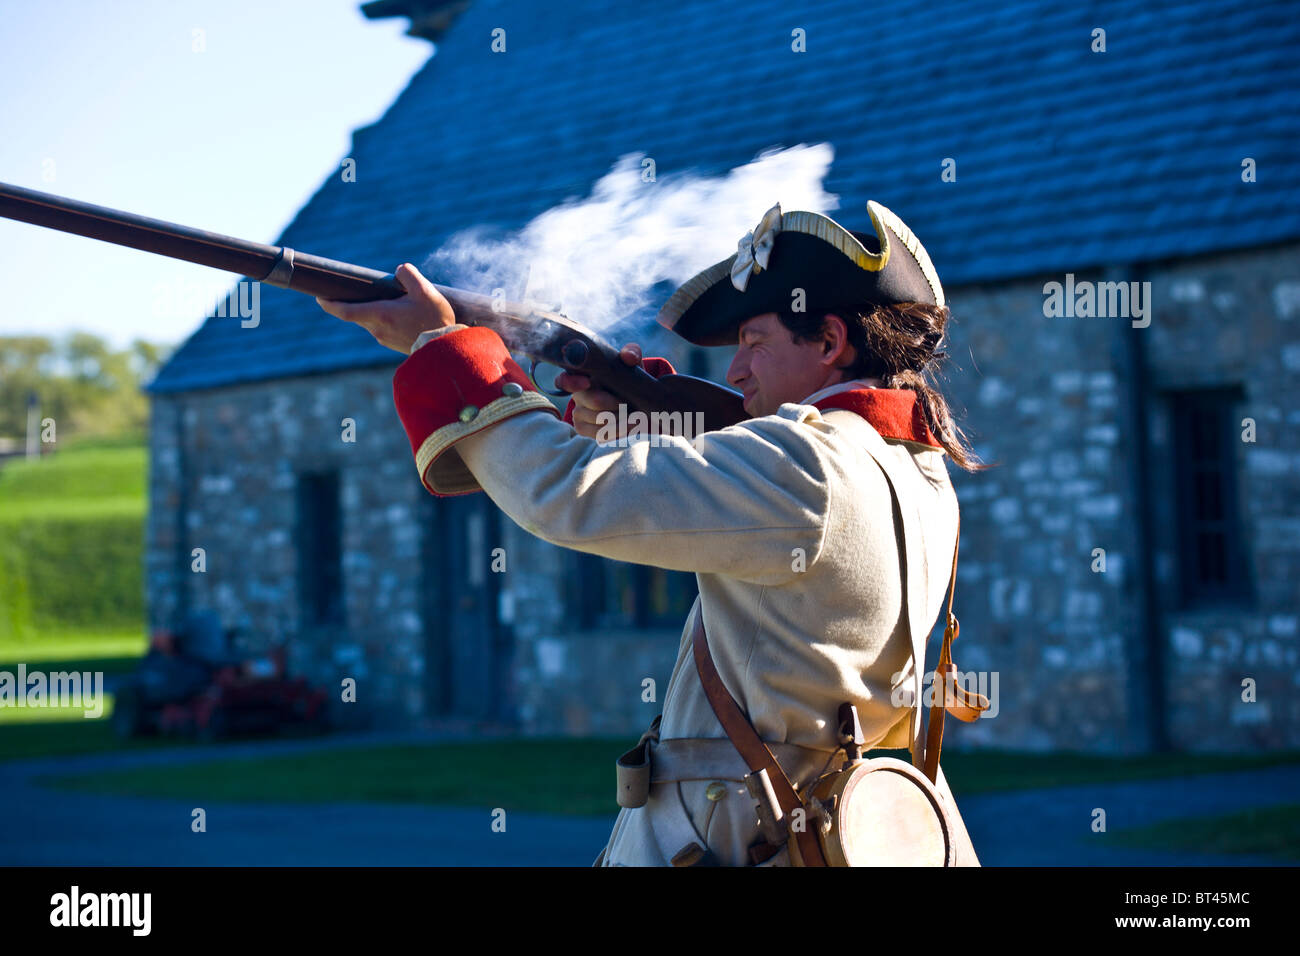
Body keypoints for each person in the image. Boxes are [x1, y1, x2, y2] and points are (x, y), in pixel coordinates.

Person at [316, 200, 985, 866]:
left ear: (831, 342)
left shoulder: (804, 466)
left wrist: (444, 348)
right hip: (826, 828)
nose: (736, 371)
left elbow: (559, 493)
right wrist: (637, 420)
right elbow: (742, 491)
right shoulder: (913, 468)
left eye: (754, 342)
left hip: (735, 836)